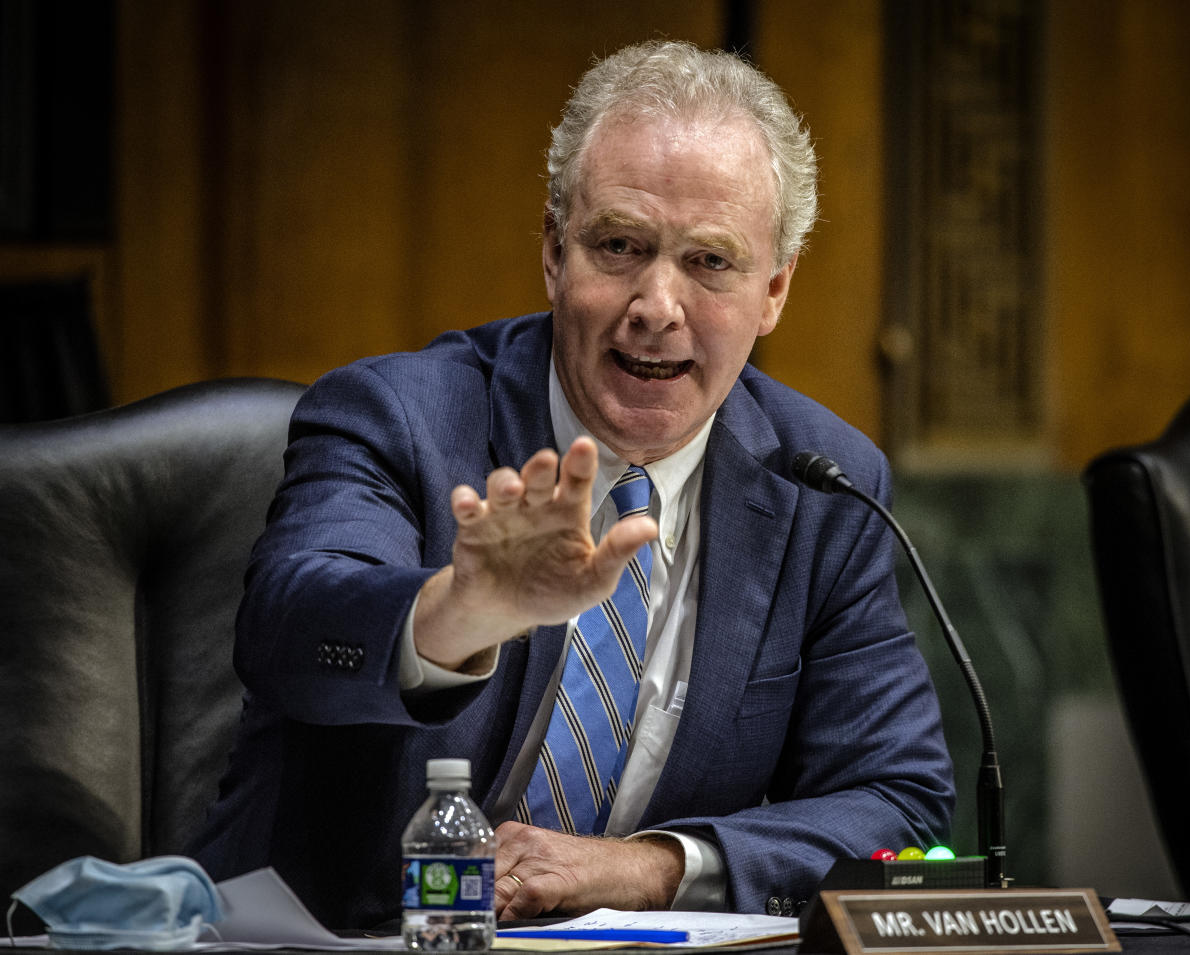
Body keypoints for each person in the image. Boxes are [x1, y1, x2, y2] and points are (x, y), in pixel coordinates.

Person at [191, 39, 954, 928]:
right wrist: (455, 615)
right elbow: (289, 626)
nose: (658, 305)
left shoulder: (824, 483)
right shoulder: (397, 415)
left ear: (775, 289)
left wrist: (645, 868)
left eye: (710, 262)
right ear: (555, 254)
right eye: (621, 246)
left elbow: (894, 800)